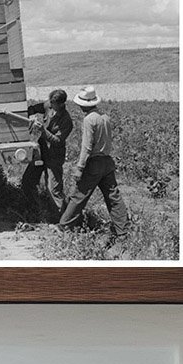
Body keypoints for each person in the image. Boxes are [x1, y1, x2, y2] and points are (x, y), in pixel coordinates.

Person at [58, 85, 129, 256]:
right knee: (114, 198)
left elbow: (86, 147)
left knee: (78, 196)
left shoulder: (89, 119)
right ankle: (124, 233)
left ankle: (65, 227)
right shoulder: (105, 117)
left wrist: (79, 168)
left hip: (94, 164)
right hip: (107, 162)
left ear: (84, 104)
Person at [21, 89, 73, 221]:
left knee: (54, 190)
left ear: (60, 104)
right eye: (50, 102)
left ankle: (64, 221)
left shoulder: (66, 120)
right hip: (41, 152)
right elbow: (32, 109)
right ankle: (38, 210)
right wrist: (29, 117)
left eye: (53, 104)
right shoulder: (48, 105)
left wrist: (42, 130)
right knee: (28, 182)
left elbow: (57, 140)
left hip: (54, 157)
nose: (50, 105)